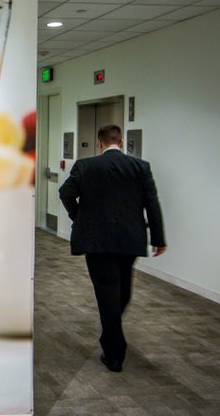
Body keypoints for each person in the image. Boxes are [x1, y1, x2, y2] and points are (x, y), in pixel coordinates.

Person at [58, 124, 166, 373]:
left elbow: (65, 193)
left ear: (100, 143)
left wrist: (79, 217)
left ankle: (114, 351)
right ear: (122, 141)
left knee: (108, 293)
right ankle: (113, 339)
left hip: (97, 241)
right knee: (122, 289)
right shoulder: (140, 167)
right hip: (129, 240)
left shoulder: (86, 166)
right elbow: (152, 203)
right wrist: (158, 238)